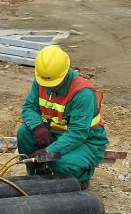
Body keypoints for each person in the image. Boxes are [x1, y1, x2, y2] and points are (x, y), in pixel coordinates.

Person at [16, 45, 108, 189]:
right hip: (56, 133)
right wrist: (38, 127)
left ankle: (81, 178)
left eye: (54, 84)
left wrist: (47, 152)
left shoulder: (83, 94)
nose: (49, 87)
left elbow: (78, 133)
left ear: (64, 73)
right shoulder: (42, 81)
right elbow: (29, 107)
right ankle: (37, 174)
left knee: (61, 164)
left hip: (86, 142)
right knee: (24, 133)